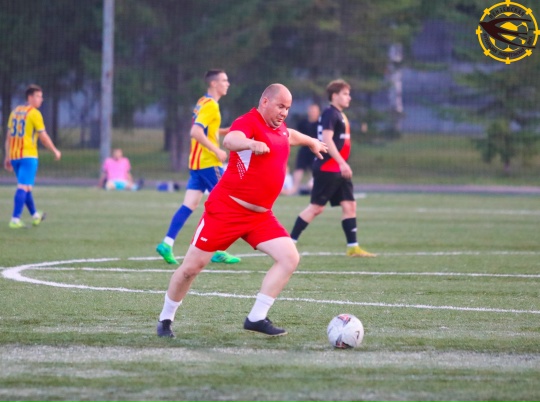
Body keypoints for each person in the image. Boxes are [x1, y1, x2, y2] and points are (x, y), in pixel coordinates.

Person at [156, 83, 328, 338]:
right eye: (280, 106)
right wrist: (250, 144)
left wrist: (311, 141)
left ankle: (256, 317)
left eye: (288, 108)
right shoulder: (248, 122)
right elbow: (230, 139)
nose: (284, 112)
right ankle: (165, 319)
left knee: (289, 258)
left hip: (260, 217)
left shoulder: (280, 127)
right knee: (191, 268)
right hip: (226, 210)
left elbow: (290, 135)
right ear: (265, 102)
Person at [155, 69, 240, 265]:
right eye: (224, 80)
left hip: (196, 164)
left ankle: (167, 243)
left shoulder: (203, 102)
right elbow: (195, 132)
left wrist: (223, 131)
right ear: (213, 84)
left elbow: (205, 128)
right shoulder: (212, 106)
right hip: (209, 163)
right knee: (227, 204)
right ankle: (218, 250)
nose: (227, 84)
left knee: (190, 205)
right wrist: (217, 150)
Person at [289, 79, 376, 257]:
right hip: (328, 168)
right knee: (316, 208)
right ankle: (290, 242)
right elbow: (327, 140)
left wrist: (342, 164)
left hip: (339, 170)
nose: (349, 97)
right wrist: (342, 162)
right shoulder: (330, 113)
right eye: (345, 94)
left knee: (349, 205)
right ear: (334, 96)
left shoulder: (339, 114)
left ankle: (353, 247)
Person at [4, 84, 61, 229]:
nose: (41, 99)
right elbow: (43, 137)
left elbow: (9, 137)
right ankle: (15, 219)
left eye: (41, 96)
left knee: (26, 186)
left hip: (15, 156)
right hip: (28, 156)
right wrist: (55, 150)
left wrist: (7, 156)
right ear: (29, 97)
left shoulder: (15, 111)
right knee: (23, 186)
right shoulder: (34, 113)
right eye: (38, 96)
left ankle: (35, 215)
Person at [283, 103, 320, 195]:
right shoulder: (303, 123)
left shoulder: (320, 124)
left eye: (315, 111)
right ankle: (294, 188)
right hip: (304, 150)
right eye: (311, 111)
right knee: (299, 168)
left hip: (316, 150)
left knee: (315, 169)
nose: (313, 113)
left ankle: (313, 186)